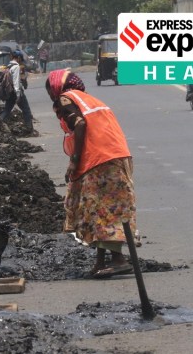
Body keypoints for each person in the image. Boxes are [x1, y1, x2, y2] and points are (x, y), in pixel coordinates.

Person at [45, 69, 136, 279]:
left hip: (101, 160)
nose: (50, 93)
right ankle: (102, 261)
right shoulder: (88, 99)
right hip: (117, 157)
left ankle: (118, 260)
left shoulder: (66, 99)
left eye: (50, 88)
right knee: (101, 209)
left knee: (100, 209)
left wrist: (74, 161)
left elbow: (80, 123)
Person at [0, 49, 35, 135]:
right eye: (20, 59)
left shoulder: (9, 66)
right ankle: (29, 129)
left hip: (10, 92)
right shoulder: (16, 67)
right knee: (26, 109)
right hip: (16, 92)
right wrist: (18, 94)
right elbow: (15, 81)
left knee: (7, 110)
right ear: (18, 58)